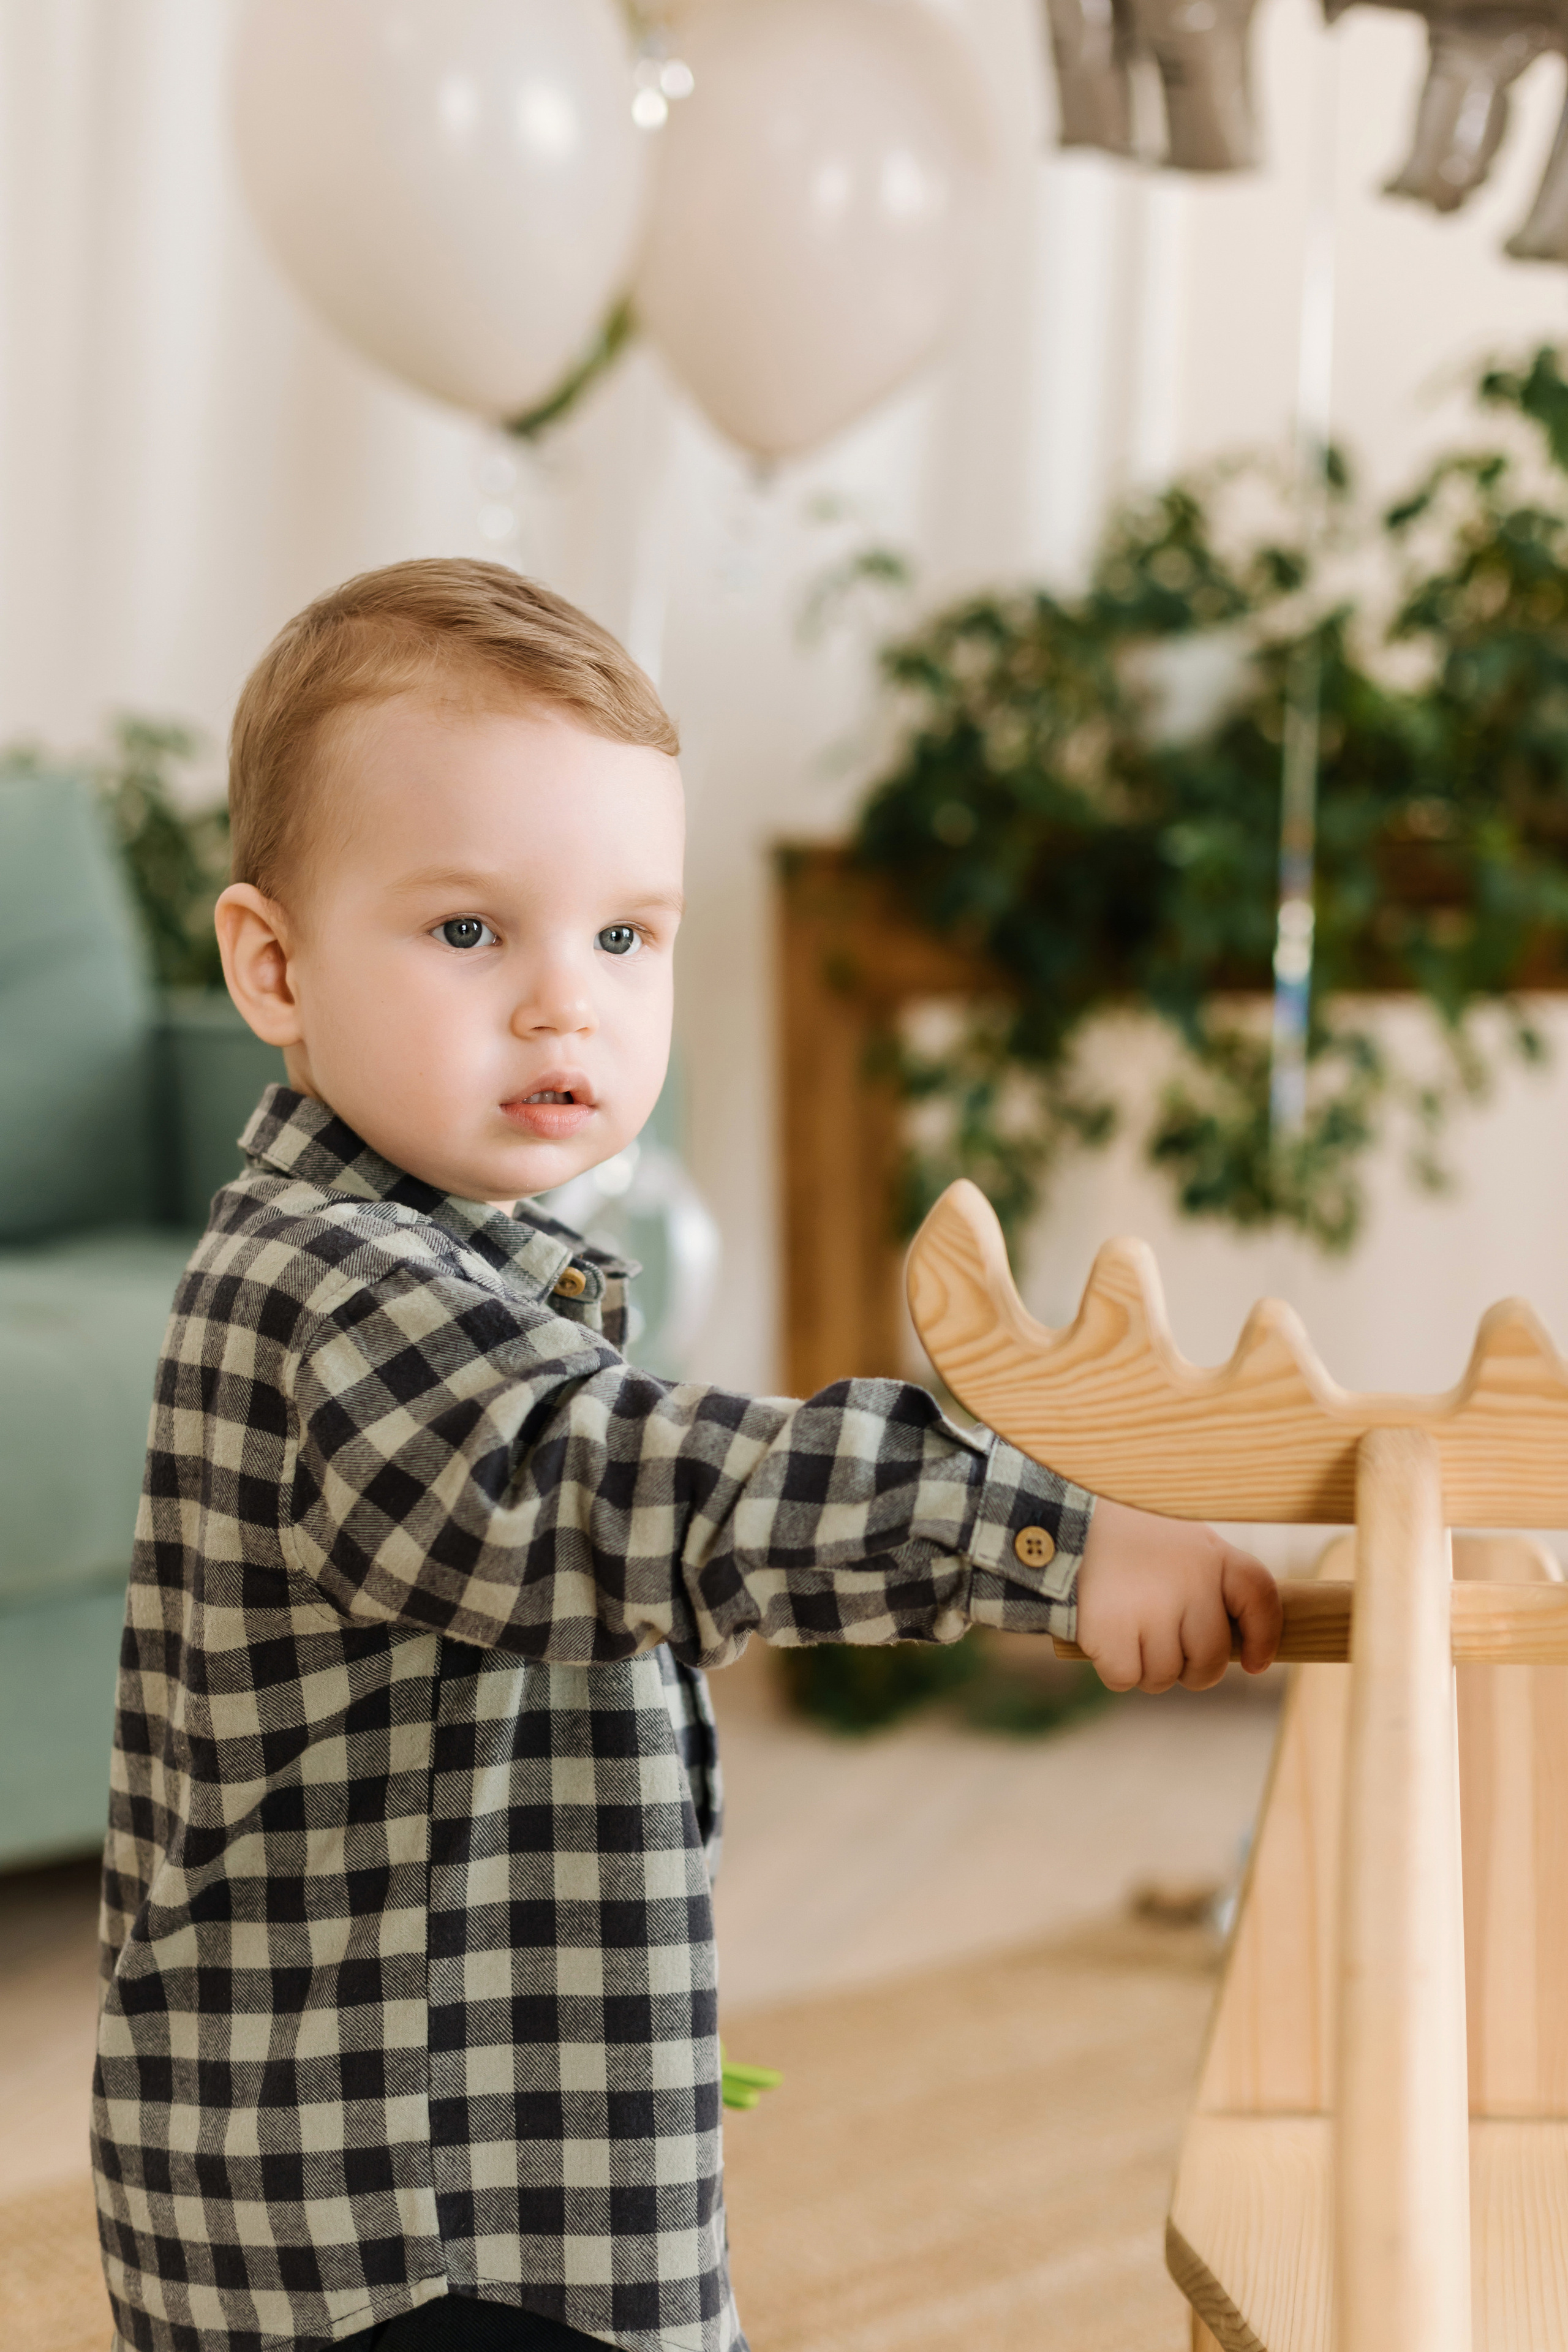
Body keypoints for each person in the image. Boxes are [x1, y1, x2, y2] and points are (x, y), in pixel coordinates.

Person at [92, 559, 1280, 2352]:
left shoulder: (448, 1269)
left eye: (625, 935)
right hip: (401, 2228)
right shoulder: (345, 1300)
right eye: (472, 932)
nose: (567, 1004)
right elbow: (624, 1488)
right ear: (271, 962)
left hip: (463, 2154)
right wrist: (1034, 1540)